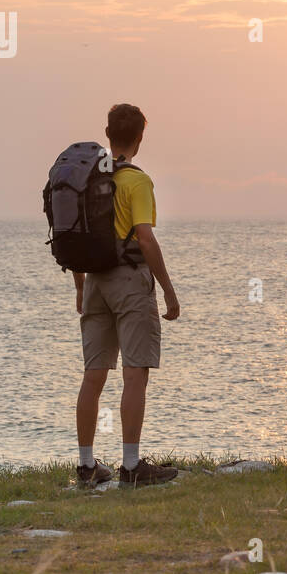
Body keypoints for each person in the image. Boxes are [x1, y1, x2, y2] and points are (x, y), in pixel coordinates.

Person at [74, 103, 180, 486]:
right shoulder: (138, 181)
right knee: (135, 373)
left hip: (95, 281)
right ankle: (132, 467)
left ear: (107, 133)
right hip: (130, 282)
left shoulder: (86, 179)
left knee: (94, 375)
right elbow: (146, 239)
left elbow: (77, 236)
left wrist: (81, 284)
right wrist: (168, 290)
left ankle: (87, 468)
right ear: (140, 137)